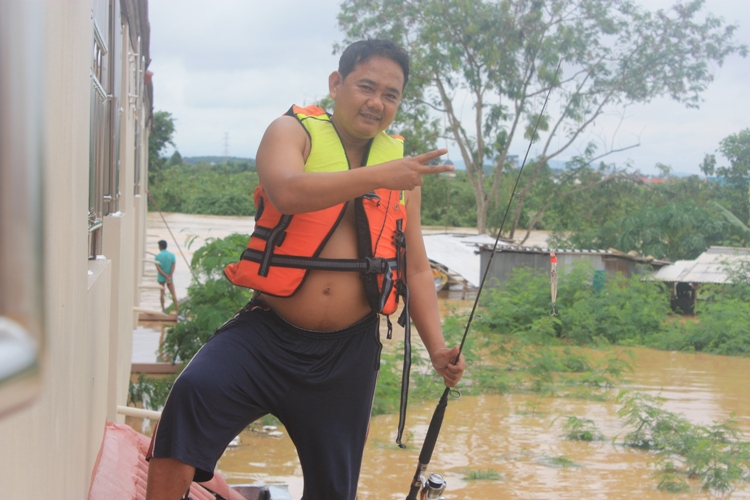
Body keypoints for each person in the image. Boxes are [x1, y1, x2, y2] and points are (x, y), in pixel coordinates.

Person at [146, 39, 465, 500]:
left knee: (335, 488)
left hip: (348, 352)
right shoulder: (291, 132)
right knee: (192, 395)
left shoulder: (402, 173)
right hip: (268, 335)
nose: (376, 102)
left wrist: (437, 349)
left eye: (390, 95)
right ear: (337, 84)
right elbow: (287, 192)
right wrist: (380, 176)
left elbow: (415, 266)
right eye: (366, 87)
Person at [155, 239, 178, 315]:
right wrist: (169, 276)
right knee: (173, 293)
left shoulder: (157, 256)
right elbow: (173, 266)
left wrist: (165, 275)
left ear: (160, 246)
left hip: (161, 277)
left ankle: (163, 309)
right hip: (170, 278)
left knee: (162, 293)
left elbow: (158, 268)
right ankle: (177, 309)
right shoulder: (172, 255)